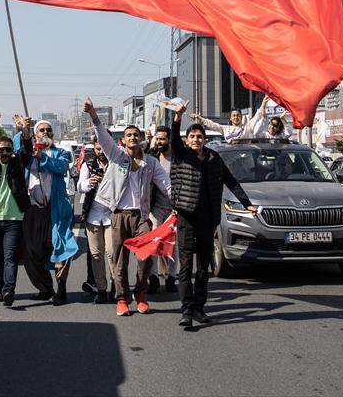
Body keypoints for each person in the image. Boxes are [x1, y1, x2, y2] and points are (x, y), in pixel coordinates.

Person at [169, 100, 255, 330]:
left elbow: (230, 181)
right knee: (186, 265)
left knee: (203, 267)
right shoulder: (181, 155)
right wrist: (177, 118)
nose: (196, 139)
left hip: (208, 218)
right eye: (192, 136)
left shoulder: (214, 158)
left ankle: (199, 307)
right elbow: (173, 139)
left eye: (199, 136)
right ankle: (186, 311)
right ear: (187, 140)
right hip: (187, 217)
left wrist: (246, 203)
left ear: (204, 139)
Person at [84, 98, 172, 317]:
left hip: (141, 217)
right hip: (118, 216)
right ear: (123, 140)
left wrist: (179, 202)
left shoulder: (150, 163)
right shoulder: (117, 156)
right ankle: (122, 298)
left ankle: (140, 294)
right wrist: (93, 114)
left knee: (145, 256)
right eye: (129, 135)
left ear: (141, 139)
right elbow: (103, 137)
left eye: (136, 135)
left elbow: (166, 184)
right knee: (118, 260)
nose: (133, 138)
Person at [19, 116, 78, 305]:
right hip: (33, 211)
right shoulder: (29, 153)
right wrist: (24, 131)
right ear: (36, 134)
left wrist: (42, 157)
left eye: (48, 130)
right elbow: (21, 156)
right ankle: (45, 288)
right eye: (41, 130)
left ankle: (61, 288)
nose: (45, 133)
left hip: (55, 210)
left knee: (62, 247)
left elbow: (61, 167)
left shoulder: (59, 152)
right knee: (32, 254)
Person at [0, 113, 32, 306]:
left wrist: (24, 130)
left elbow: (27, 149)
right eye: (1, 150)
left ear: (12, 151)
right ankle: (0, 290)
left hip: (13, 219)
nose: (5, 153)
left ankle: (9, 290)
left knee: (10, 257)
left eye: (8, 150)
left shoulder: (17, 164)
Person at [77, 135, 113, 304]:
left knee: (112, 253)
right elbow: (80, 186)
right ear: (94, 147)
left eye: (104, 148)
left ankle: (116, 287)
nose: (102, 152)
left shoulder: (118, 162)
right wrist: (89, 183)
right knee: (96, 254)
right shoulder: (89, 164)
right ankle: (101, 289)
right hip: (93, 215)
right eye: (98, 149)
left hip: (112, 215)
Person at [146, 125, 178, 293]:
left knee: (173, 244)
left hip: (174, 208)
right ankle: (153, 278)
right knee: (153, 242)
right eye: (157, 139)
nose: (159, 142)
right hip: (155, 208)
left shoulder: (178, 158)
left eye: (162, 139)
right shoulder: (152, 157)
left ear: (169, 140)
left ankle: (172, 277)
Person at [191, 96, 267, 143]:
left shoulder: (247, 127)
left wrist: (263, 104)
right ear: (230, 118)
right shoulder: (225, 129)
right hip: (232, 159)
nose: (236, 117)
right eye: (234, 116)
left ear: (241, 117)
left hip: (247, 158)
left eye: (238, 115)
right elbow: (212, 125)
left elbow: (257, 116)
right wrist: (200, 118)